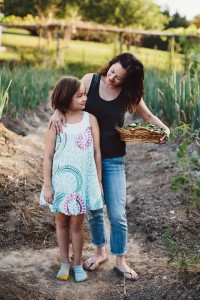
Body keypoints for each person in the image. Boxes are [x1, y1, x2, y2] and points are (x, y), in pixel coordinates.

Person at [50, 52, 170, 281]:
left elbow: (148, 115)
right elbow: (68, 97)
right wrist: (57, 112)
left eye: (119, 77)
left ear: (128, 81)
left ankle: (121, 261)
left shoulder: (128, 94)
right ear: (110, 64)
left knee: (117, 212)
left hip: (114, 159)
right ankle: (99, 252)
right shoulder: (90, 80)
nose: (112, 78)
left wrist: (164, 129)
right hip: (85, 159)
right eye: (112, 71)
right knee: (95, 210)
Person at [40, 76, 103, 282]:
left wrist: (99, 182)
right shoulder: (56, 122)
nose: (85, 98)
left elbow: (96, 153)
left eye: (85, 94)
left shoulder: (90, 119)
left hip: (81, 184)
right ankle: (64, 262)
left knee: (77, 224)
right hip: (61, 183)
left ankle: (77, 264)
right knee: (61, 223)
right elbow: (48, 156)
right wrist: (48, 186)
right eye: (79, 95)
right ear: (67, 98)